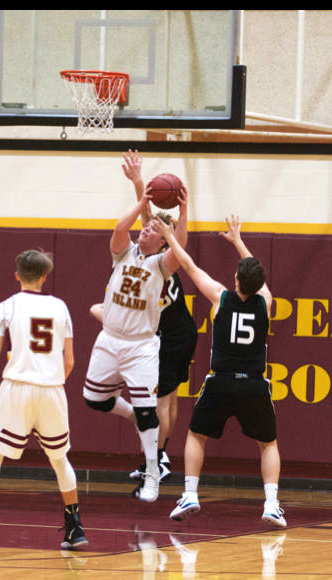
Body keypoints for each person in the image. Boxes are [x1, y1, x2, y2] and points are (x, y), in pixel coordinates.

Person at [153, 216, 286, 528]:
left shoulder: (219, 297)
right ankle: (271, 504)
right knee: (268, 444)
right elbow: (257, 275)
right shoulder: (265, 302)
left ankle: (190, 494)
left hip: (220, 382)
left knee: (197, 436)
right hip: (254, 384)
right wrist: (239, 241)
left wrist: (169, 236)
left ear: (236, 279)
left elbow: (186, 264)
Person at [90, 151, 198, 492]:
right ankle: (159, 453)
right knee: (163, 399)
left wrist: (183, 211)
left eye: (153, 229)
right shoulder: (135, 252)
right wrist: (140, 184)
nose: (146, 228)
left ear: (164, 241)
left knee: (163, 399)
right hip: (161, 331)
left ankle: (160, 458)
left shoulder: (163, 263)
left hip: (173, 333)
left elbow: (173, 238)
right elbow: (145, 219)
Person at [0, 250, 86, 553]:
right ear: (44, 276)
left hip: (16, 387)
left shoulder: (6, 307)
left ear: (17, 274)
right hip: (52, 390)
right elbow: (70, 360)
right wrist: (51, 381)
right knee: (59, 459)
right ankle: (74, 527)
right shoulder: (61, 307)